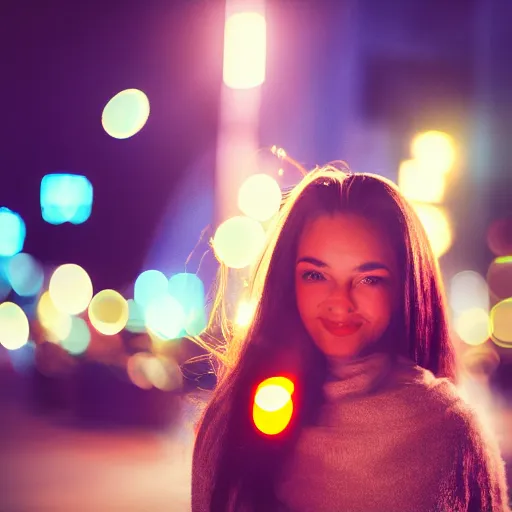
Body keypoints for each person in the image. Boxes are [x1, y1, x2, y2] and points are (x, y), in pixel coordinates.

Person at [191, 165, 511, 511]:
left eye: (369, 279)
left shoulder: (451, 432)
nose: (340, 302)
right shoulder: (231, 418)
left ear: (405, 286)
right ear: (288, 281)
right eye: (316, 275)